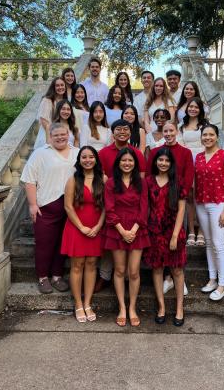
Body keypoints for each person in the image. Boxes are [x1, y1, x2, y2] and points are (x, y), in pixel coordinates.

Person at [20, 123, 79, 294]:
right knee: (45, 244)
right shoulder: (40, 153)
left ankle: (57, 276)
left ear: (69, 134)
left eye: (63, 134)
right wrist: (32, 205)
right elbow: (29, 179)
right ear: (50, 137)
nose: (60, 137)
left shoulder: (77, 152)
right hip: (46, 207)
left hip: (71, 208)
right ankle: (43, 277)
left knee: (62, 244)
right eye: (56, 135)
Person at [95, 119, 146, 292]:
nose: (122, 132)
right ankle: (104, 277)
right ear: (113, 132)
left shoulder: (136, 153)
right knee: (111, 252)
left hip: (132, 208)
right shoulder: (103, 153)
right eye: (119, 129)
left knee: (132, 268)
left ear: (131, 132)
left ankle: (130, 285)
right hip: (110, 201)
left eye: (126, 129)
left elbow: (141, 178)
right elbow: (98, 175)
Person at [103, 148, 150, 327]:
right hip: (117, 229)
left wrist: (134, 229)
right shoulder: (111, 183)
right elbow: (109, 208)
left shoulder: (141, 183)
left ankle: (132, 307)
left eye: (130, 161)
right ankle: (122, 307)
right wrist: (123, 231)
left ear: (135, 164)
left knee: (134, 271)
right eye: (124, 161)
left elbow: (144, 208)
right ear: (118, 163)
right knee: (120, 270)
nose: (127, 163)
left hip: (138, 228)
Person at [146, 120, 193, 296]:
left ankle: (177, 277)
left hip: (177, 201)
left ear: (177, 132)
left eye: (171, 130)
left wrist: (178, 195)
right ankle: (167, 278)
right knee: (159, 248)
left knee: (177, 245)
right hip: (159, 204)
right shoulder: (157, 152)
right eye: (165, 131)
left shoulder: (185, 152)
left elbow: (188, 177)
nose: (168, 134)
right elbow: (151, 175)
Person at [61, 146, 106, 322]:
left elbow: (106, 207)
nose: (88, 160)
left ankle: (88, 303)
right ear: (79, 160)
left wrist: (98, 226)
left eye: (91, 157)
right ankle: (78, 304)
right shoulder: (73, 179)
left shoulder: (103, 178)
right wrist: (81, 227)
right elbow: (68, 206)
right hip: (76, 227)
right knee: (77, 265)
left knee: (92, 264)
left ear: (96, 159)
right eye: (84, 157)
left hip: (96, 228)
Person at [144, 148, 187, 326]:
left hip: (173, 232)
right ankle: (161, 306)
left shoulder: (178, 183)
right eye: (160, 160)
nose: (163, 163)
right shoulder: (148, 181)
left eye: (166, 160)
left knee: (176, 270)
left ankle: (179, 308)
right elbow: (145, 208)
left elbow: (182, 209)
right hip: (154, 232)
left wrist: (175, 235)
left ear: (171, 163)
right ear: (155, 162)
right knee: (157, 269)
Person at [195, 123, 224, 301]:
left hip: (219, 204)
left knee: (219, 244)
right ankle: (212, 279)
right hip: (201, 203)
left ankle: (222, 285)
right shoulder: (198, 157)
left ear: (217, 136)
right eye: (205, 135)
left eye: (211, 134)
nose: (208, 138)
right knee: (210, 243)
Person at [178, 97, 208, 246]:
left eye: (196, 107)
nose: (193, 109)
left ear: (200, 109)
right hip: (187, 163)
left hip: (202, 163)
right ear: (187, 108)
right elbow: (180, 146)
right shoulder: (181, 126)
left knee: (201, 198)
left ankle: (201, 231)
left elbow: (209, 144)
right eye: (191, 107)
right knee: (189, 197)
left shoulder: (205, 126)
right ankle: (190, 230)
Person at [34, 76, 67, 149]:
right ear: (53, 87)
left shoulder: (66, 101)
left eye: (62, 85)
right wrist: (51, 139)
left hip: (61, 136)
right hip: (48, 135)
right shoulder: (47, 100)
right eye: (57, 85)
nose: (60, 87)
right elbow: (44, 122)